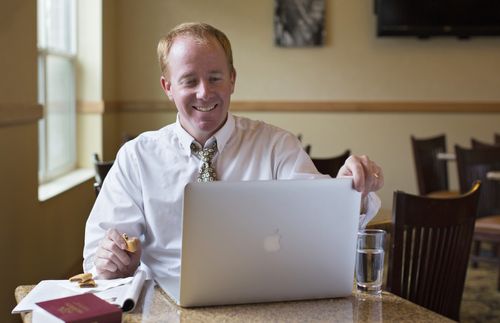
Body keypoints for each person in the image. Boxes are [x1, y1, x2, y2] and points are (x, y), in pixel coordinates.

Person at [83, 22, 384, 279]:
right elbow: (97, 257)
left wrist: (349, 192)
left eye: (215, 78)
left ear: (232, 80)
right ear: (168, 88)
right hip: (163, 302)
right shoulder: (136, 157)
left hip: (261, 297)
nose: (204, 92)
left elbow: (322, 223)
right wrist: (110, 261)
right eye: (189, 81)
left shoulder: (276, 147)